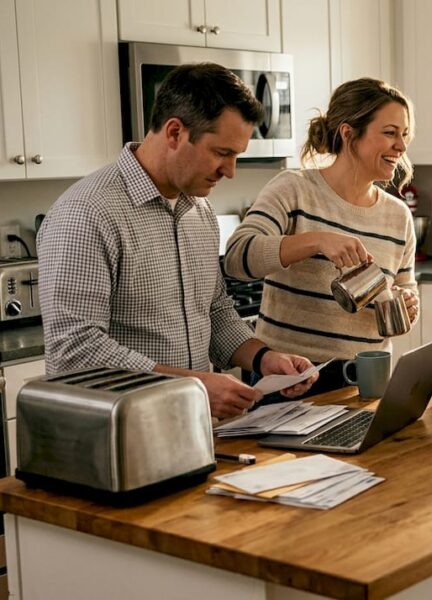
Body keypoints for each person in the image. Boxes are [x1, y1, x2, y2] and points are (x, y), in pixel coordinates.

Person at [38, 63, 317, 419]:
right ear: (174, 133)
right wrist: (195, 386)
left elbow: (215, 312)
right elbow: (75, 353)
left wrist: (265, 359)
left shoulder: (200, 212)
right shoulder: (86, 214)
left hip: (193, 432)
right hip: (118, 441)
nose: (230, 171)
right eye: (222, 153)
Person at [223, 78, 419, 397]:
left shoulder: (398, 216)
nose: (402, 146)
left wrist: (408, 304)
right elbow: (237, 257)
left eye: (404, 135)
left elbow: (404, 286)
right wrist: (316, 241)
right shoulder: (294, 189)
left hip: (365, 382)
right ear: (348, 133)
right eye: (390, 133)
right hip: (289, 380)